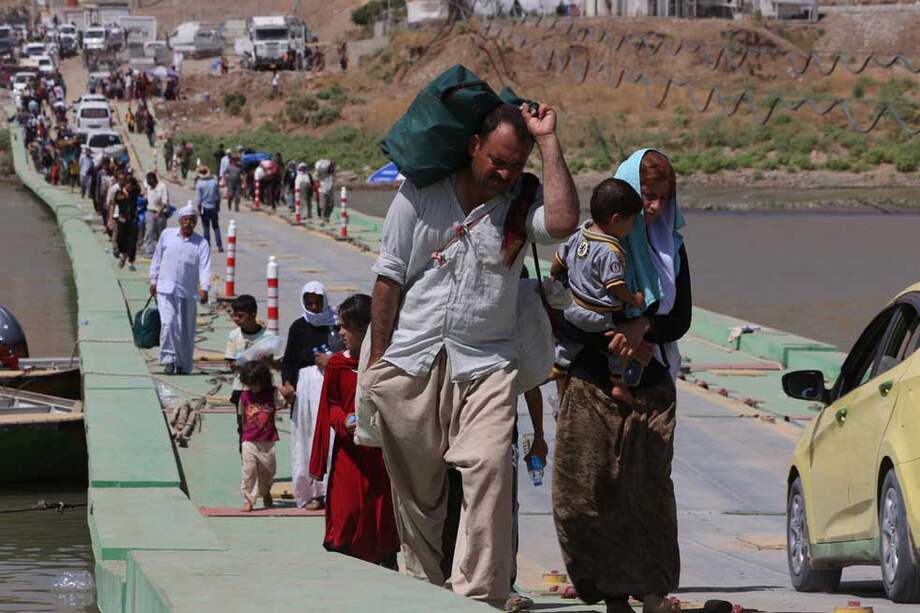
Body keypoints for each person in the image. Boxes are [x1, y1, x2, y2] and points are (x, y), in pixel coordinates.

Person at [361, 102, 578, 605]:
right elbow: (388, 278)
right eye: (497, 161)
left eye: (514, 165)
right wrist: (376, 361)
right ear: (474, 146)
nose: (504, 174)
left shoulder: (521, 204)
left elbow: (565, 222)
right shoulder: (419, 195)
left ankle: (476, 595)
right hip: (414, 359)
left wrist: (547, 140)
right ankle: (428, 584)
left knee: (488, 467)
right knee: (419, 496)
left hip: (487, 364)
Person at [552, 149, 691, 613]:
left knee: (648, 491)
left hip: (652, 387)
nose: (653, 209)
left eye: (661, 200)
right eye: (646, 198)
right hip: (592, 383)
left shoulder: (672, 245)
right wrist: (611, 334)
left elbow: (681, 316)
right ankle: (611, 594)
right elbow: (565, 310)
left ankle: (652, 592)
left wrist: (643, 328)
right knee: (587, 493)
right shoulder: (592, 243)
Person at [309, 294, 400, 567]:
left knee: (379, 517)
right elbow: (331, 405)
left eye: (345, 327)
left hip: (381, 459)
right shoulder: (338, 364)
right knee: (346, 513)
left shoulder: (388, 364)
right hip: (348, 457)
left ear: (364, 330)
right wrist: (344, 422)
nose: (341, 333)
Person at [550, 178, 646, 405]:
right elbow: (615, 285)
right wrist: (635, 298)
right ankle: (618, 384)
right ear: (616, 220)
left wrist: (555, 278)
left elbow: (558, 261)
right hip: (598, 318)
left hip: (572, 310)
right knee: (617, 348)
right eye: (632, 221)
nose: (633, 226)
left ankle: (558, 366)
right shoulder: (611, 249)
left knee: (570, 343)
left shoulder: (580, 233)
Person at [149, 204, 212, 375]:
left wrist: (204, 288)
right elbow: (157, 258)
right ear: (179, 220)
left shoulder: (201, 243)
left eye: (192, 220)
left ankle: (183, 364)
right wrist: (153, 279)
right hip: (165, 288)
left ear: (195, 222)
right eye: (185, 219)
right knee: (168, 323)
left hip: (187, 291)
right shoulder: (167, 235)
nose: (188, 223)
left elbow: (205, 267)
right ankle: (169, 359)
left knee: (185, 329)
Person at [225, 294, 275, 449]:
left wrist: (266, 361)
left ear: (253, 314)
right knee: (244, 427)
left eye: (240, 316)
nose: (236, 319)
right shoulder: (234, 336)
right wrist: (240, 363)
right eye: (235, 315)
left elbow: (277, 364)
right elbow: (230, 362)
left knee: (264, 427)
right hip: (241, 389)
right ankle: (247, 463)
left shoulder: (267, 337)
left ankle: (263, 461)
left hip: (263, 390)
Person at [280, 281, 336, 402]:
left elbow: (349, 352)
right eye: (309, 303)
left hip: (333, 382)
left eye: (318, 303)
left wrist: (332, 359)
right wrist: (287, 383)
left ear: (325, 301)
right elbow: (289, 360)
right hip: (305, 386)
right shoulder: (298, 327)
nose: (314, 307)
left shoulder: (336, 324)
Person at [238, 361, 281, 512]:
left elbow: (283, 403)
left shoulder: (272, 393)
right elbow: (243, 416)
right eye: (250, 385)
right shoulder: (244, 396)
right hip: (249, 440)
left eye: (255, 384)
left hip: (267, 441)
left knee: (268, 472)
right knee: (249, 471)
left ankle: (266, 491)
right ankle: (248, 500)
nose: (253, 388)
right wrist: (244, 435)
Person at [195, 165, 223, 252]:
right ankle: (219, 246)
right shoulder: (214, 182)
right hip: (214, 206)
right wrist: (218, 206)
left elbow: (199, 200)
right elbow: (218, 196)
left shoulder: (199, 184)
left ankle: (207, 246)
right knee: (216, 227)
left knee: (206, 227)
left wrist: (199, 210)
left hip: (204, 207)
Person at [111, 183, 138, 270]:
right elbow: (115, 203)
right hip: (122, 224)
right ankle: (123, 256)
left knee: (131, 243)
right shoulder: (119, 198)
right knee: (121, 241)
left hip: (132, 224)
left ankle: (130, 262)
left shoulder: (133, 197)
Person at [144, 172, 169, 258]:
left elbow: (164, 202)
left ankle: (161, 252)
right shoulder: (148, 187)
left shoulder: (162, 187)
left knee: (160, 233)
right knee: (149, 231)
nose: (148, 183)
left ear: (153, 179)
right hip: (149, 211)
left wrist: (158, 213)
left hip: (160, 213)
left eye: (148, 181)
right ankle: (149, 252)